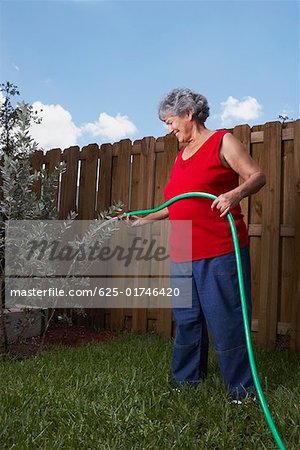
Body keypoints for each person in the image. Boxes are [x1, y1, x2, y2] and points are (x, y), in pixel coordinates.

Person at [125, 88, 266, 403]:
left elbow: (257, 176)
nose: (169, 128)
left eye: (171, 121)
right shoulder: (181, 155)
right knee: (187, 319)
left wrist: (235, 195)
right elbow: (177, 204)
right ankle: (186, 382)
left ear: (188, 113)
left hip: (220, 249)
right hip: (183, 251)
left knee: (227, 320)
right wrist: (143, 219)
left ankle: (242, 392)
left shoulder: (222, 142)